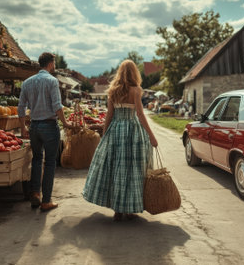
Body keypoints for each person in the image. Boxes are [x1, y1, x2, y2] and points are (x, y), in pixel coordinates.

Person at [82, 59, 158, 221]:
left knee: (115, 170)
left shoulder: (113, 90)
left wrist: (104, 134)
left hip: (116, 130)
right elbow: (140, 114)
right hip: (133, 132)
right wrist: (151, 135)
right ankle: (129, 209)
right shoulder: (136, 90)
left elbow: (109, 115)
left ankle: (118, 210)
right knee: (132, 170)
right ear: (134, 73)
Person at [18, 52, 72, 212]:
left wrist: (22, 127)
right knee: (49, 163)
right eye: (54, 63)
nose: (54, 66)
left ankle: (35, 193)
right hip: (49, 126)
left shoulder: (27, 82)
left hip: (34, 126)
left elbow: (21, 107)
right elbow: (57, 105)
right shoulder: (52, 81)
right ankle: (46, 200)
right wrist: (66, 123)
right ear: (50, 64)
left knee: (36, 159)